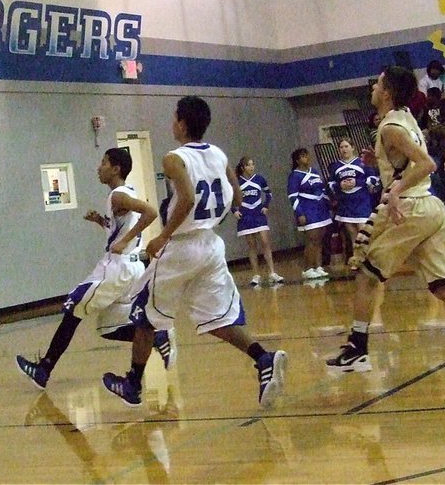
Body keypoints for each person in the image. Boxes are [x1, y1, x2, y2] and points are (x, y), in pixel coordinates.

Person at [327, 65, 445, 379]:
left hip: (411, 209)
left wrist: (395, 191)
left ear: (387, 92)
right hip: (429, 208)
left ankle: (357, 348)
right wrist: (377, 162)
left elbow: (426, 164)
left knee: (365, 275)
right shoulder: (404, 119)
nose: (372, 89)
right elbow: (406, 161)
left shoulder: (391, 127)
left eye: (377, 84)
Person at [102, 96, 287, 409]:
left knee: (142, 313)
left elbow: (187, 198)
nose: (172, 123)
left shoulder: (174, 158)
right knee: (217, 319)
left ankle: (132, 384)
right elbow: (237, 197)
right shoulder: (218, 154)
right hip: (211, 245)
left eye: (174, 117)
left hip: (182, 247)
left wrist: (162, 236)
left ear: (183, 123)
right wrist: (211, 220)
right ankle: (263, 358)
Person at [15, 148, 172, 389]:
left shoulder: (118, 195)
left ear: (116, 168)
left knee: (73, 307)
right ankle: (157, 337)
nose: (99, 167)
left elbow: (150, 213)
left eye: (104, 162)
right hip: (131, 271)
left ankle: (44, 369)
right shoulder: (123, 194)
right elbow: (118, 228)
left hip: (117, 269)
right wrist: (101, 221)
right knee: (107, 327)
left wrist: (125, 238)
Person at [232, 156, 283, 286]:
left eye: (252, 164)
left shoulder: (259, 179)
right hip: (245, 215)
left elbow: (268, 193)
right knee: (252, 245)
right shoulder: (237, 182)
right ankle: (256, 274)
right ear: (243, 167)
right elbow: (230, 198)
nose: (251, 167)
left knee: (265, 242)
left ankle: (272, 272)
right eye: (248, 165)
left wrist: (266, 205)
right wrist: (234, 211)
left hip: (258, 214)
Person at [327, 138, 378, 262]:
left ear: (352, 147)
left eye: (346, 146)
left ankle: (370, 260)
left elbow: (374, 179)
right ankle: (358, 260)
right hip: (346, 203)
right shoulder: (336, 166)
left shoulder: (362, 163)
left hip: (361, 202)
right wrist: (340, 185)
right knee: (352, 235)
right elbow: (330, 183)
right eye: (341, 147)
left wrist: (357, 182)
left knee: (364, 232)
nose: (344, 149)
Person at [287, 148, 332, 280]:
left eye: (307, 155)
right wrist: (299, 213)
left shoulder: (315, 172)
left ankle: (318, 267)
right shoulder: (294, 176)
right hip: (307, 209)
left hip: (321, 209)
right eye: (303, 156)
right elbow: (292, 196)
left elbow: (322, 190)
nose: (306, 158)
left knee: (320, 239)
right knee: (311, 239)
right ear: (297, 160)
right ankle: (307, 268)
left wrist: (328, 203)